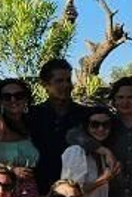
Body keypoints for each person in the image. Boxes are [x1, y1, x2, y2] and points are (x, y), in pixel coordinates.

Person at [60, 107, 117, 197]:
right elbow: (69, 190)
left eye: (105, 125)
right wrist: (103, 180)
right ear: (86, 126)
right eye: (95, 124)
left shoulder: (103, 154)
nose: (100, 129)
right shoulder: (76, 151)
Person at [26, 58, 89, 190]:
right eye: (59, 81)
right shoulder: (32, 115)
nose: (66, 85)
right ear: (45, 84)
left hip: (73, 192)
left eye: (68, 80)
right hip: (39, 189)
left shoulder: (85, 115)